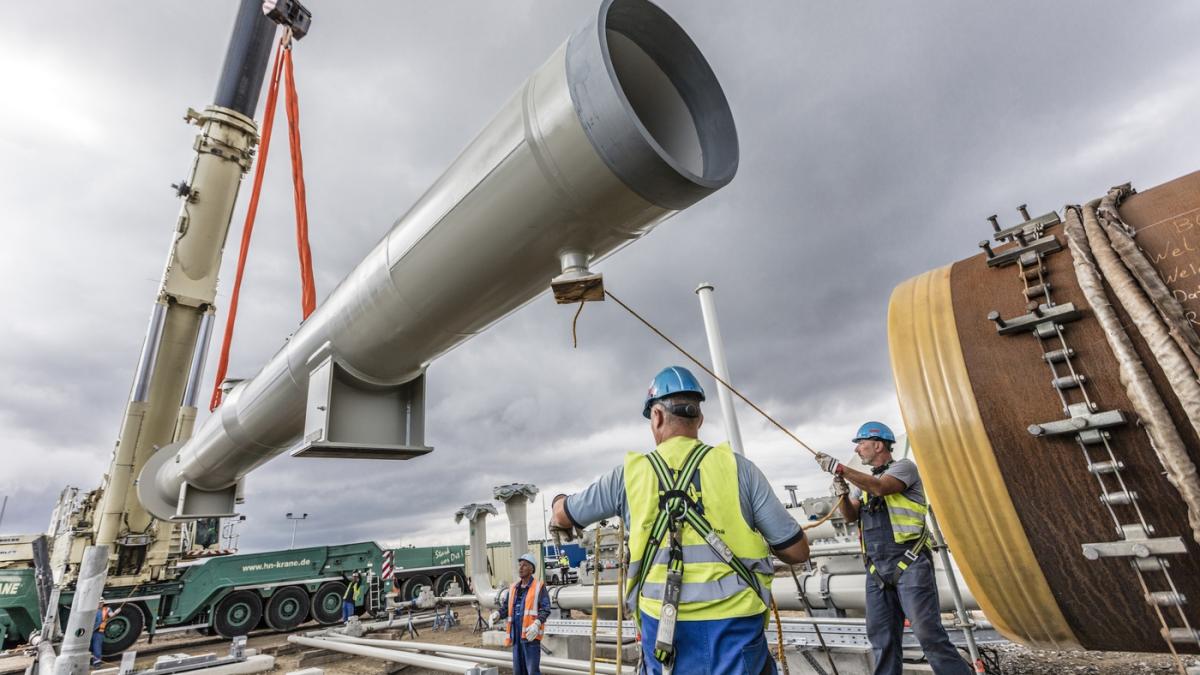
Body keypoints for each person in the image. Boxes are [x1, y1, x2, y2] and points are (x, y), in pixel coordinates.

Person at [550, 366, 810, 674]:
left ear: (657, 416)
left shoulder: (628, 477)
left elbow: (564, 515)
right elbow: (796, 552)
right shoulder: (740, 470)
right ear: (699, 419)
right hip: (735, 631)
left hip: (663, 633)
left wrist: (558, 502)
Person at [814, 422, 972, 675]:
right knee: (881, 637)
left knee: (927, 633)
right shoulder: (863, 483)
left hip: (909, 563)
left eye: (861, 443)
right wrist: (841, 494)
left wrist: (841, 468)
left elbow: (882, 488)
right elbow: (851, 516)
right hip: (877, 568)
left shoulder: (904, 469)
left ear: (878, 444)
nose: (859, 449)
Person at [489, 553, 550, 675]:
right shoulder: (513, 588)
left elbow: (545, 608)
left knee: (532, 671)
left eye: (525, 565)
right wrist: (498, 614)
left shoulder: (539, 587)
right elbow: (506, 608)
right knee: (518, 671)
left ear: (532, 569)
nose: (520, 568)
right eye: (520, 565)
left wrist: (537, 624)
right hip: (516, 637)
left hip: (530, 636)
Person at [90, 599, 111, 667]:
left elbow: (111, 614)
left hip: (97, 631)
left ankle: (96, 662)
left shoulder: (105, 610)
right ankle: (95, 662)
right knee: (95, 647)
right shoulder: (96, 610)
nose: (101, 604)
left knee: (96, 647)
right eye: (100, 603)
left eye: (102, 603)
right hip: (93, 631)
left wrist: (116, 612)